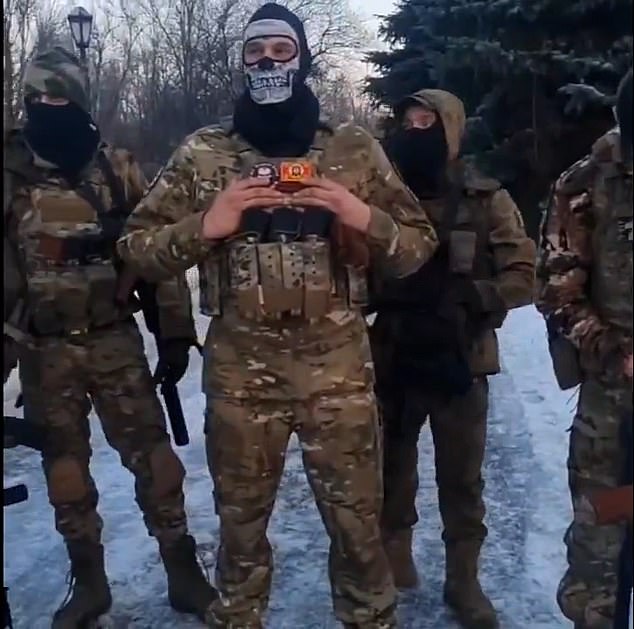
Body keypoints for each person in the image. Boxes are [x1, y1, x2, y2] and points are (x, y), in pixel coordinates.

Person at [117, 4, 438, 627]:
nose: (267, 62)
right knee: (239, 538)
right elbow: (136, 251)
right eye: (254, 51)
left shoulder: (351, 148)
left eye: (281, 50)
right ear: (240, 62)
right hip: (241, 379)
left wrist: (360, 214)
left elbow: (417, 249)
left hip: (337, 377)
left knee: (358, 533)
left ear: (303, 57)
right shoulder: (203, 154)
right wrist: (205, 226)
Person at [3, 47, 217, 627]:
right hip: (44, 350)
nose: (52, 107)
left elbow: (156, 250)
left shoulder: (117, 168)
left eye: (62, 97)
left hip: (114, 340)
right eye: (41, 98)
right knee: (66, 472)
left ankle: (183, 570)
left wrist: (173, 333)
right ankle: (89, 583)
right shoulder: (12, 173)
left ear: (80, 100)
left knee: (155, 460)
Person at [371, 89, 536, 629]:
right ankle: (394, 564)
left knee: (462, 481)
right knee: (389, 473)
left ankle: (463, 581)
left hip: (462, 360)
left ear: (452, 127)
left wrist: (478, 297)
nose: (416, 129)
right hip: (393, 354)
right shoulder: (382, 197)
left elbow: (524, 274)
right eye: (408, 120)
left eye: (428, 120)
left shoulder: (485, 198)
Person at [536, 68, 632, 629]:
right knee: (605, 532)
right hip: (616, 406)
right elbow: (557, 290)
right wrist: (612, 349)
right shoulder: (585, 185)